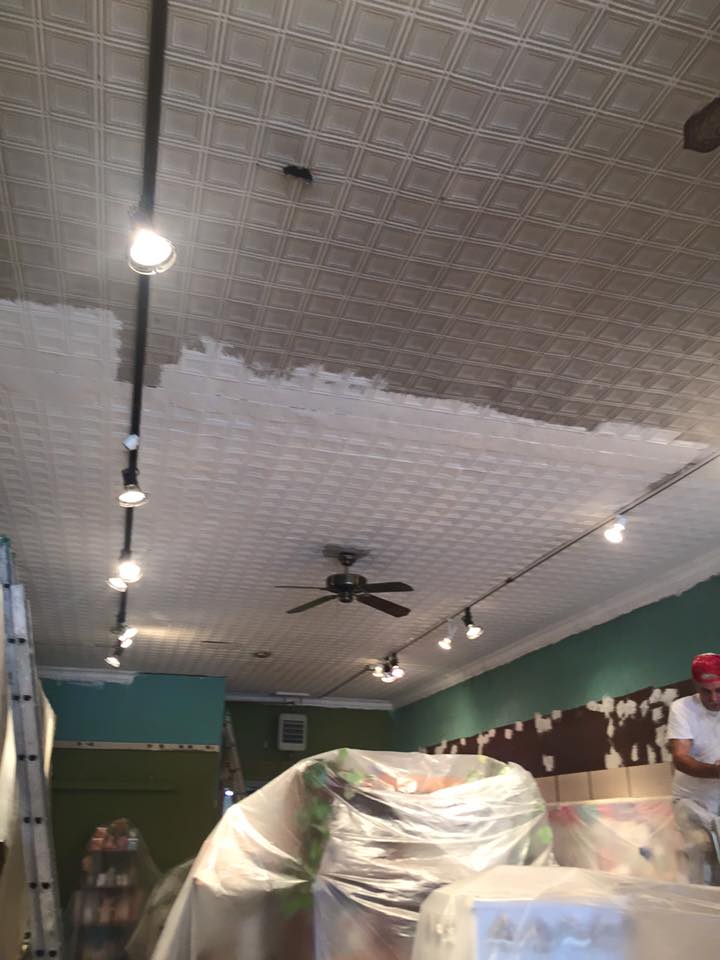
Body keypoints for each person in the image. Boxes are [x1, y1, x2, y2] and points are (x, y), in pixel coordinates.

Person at [667, 652, 720, 884]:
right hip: (691, 801)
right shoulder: (683, 708)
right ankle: (700, 903)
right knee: (702, 851)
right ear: (696, 686)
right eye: (706, 692)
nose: (714, 698)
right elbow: (680, 758)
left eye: (719, 690)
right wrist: (716, 771)